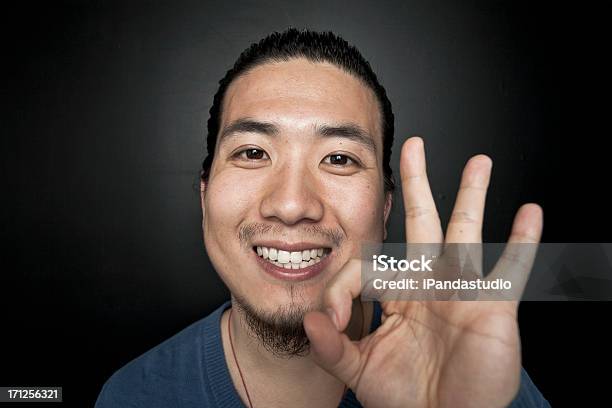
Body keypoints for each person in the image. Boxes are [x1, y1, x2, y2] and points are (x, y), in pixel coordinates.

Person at [95, 28, 550, 407]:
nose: (292, 205)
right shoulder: (132, 396)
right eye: (253, 152)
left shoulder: (486, 389)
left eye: (339, 159)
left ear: (385, 207)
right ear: (205, 193)